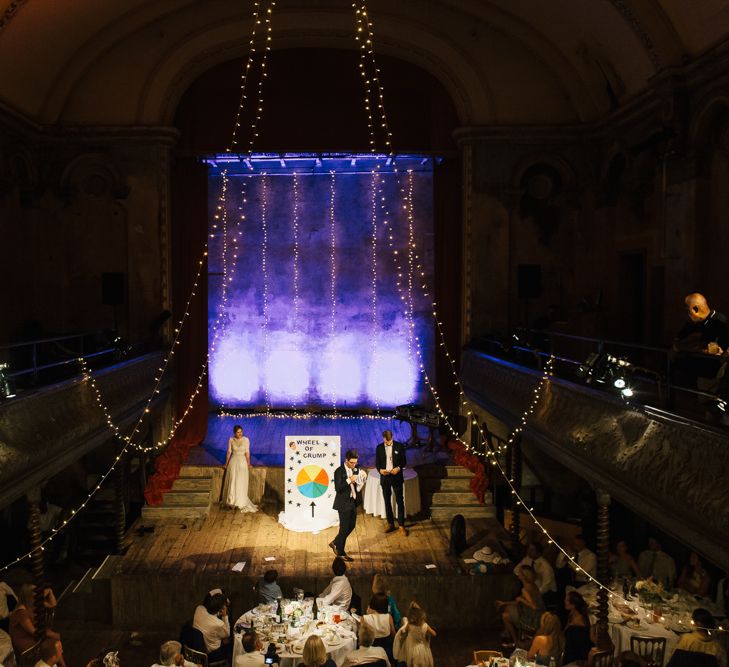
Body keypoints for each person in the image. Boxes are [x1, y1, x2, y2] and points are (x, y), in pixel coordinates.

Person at [9, 584, 66, 667]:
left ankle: (60, 664)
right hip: (25, 642)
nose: (38, 596)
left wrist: (50, 591)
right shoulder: (21, 612)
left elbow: (53, 604)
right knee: (52, 642)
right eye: (35, 595)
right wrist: (50, 633)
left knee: (53, 641)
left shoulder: (33, 604)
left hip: (34, 637)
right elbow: (33, 632)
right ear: (28, 597)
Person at [329, 449, 366, 561]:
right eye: (352, 463)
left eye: (355, 462)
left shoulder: (356, 468)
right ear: (346, 460)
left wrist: (361, 479)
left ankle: (335, 542)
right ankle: (340, 552)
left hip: (352, 501)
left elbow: (359, 479)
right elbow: (338, 488)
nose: (354, 465)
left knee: (351, 525)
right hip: (343, 503)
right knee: (344, 528)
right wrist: (349, 480)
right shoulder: (339, 471)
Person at [496, 565, 545, 646]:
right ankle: (509, 635)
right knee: (507, 609)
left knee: (505, 616)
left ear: (523, 576)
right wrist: (504, 603)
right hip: (534, 614)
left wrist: (521, 600)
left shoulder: (525, 589)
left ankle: (515, 641)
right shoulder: (532, 585)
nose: (518, 574)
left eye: (519, 572)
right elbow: (518, 602)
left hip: (531, 619)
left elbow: (534, 606)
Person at [375, 430, 409, 536]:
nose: (387, 443)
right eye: (385, 442)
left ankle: (401, 525)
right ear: (383, 439)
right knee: (387, 501)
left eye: (389, 442)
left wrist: (398, 468)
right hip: (385, 477)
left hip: (396, 476)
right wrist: (380, 470)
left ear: (392, 438)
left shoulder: (399, 446)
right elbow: (377, 463)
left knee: (399, 500)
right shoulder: (379, 447)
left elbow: (404, 461)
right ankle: (390, 524)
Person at [222, 425, 258, 513]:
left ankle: (240, 501)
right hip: (233, 462)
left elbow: (247, 452)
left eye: (241, 432)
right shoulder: (231, 439)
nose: (240, 434)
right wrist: (226, 464)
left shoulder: (246, 440)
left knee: (240, 482)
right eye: (238, 432)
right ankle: (231, 501)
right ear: (234, 433)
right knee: (233, 480)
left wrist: (249, 463)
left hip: (242, 463)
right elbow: (229, 452)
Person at [192, 591, 230, 662]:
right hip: (212, 654)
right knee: (228, 641)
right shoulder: (218, 624)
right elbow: (227, 633)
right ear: (221, 609)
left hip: (195, 647)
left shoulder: (199, 609)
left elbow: (209, 595)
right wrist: (225, 615)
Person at [393, 602, 435, 667]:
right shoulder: (425, 626)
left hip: (411, 647)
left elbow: (404, 631)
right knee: (421, 662)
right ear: (422, 618)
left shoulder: (409, 625)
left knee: (412, 662)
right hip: (422, 648)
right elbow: (434, 634)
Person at [561, 591, 592, 666]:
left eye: (567, 600)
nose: (564, 601)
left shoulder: (578, 624)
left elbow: (578, 647)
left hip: (576, 657)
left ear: (573, 605)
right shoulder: (572, 613)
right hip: (570, 650)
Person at [365, 592, 396, 664]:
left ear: (372, 604)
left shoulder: (366, 618)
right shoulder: (389, 617)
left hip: (370, 652)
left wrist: (367, 613)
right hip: (386, 652)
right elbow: (394, 635)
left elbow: (362, 639)